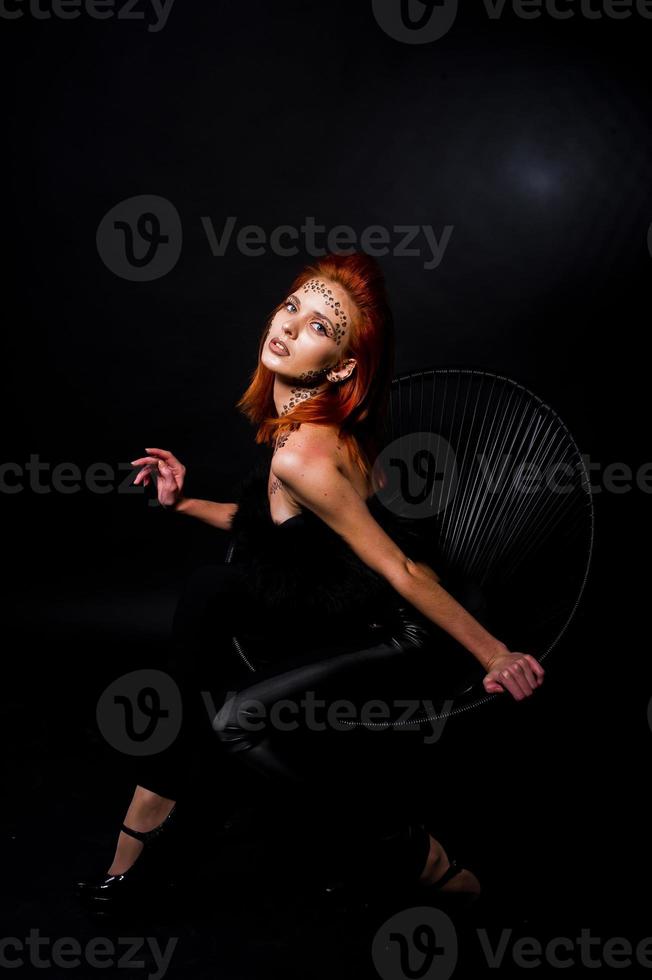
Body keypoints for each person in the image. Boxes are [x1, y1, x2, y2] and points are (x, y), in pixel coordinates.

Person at [75, 252, 544, 912]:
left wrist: (495, 652)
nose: (291, 326)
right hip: (339, 600)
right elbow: (281, 528)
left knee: (229, 696)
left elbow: (400, 568)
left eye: (321, 326)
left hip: (398, 633)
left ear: (343, 366)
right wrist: (181, 504)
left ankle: (398, 848)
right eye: (292, 305)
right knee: (211, 596)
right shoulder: (302, 423)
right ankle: (167, 800)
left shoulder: (304, 452)